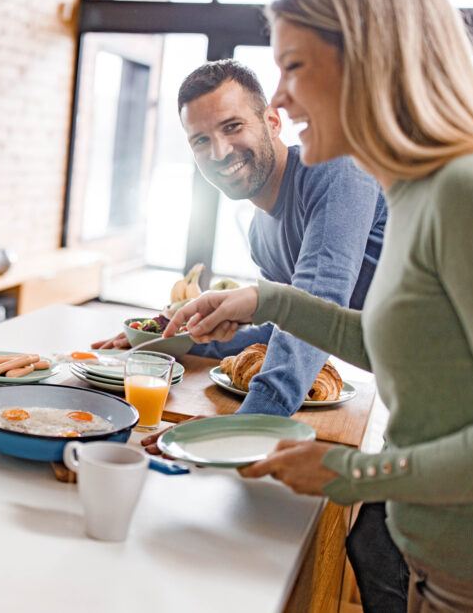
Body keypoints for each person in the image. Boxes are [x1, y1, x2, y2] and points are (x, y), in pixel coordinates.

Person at [167, 0, 473, 611]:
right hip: (444, 565)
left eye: (294, 69)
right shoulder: (418, 194)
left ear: (371, 60)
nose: (278, 99)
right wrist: (265, 299)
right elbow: (397, 346)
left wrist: (351, 470)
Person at [95, 59, 387, 416]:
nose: (219, 152)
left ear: (273, 122)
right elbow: (283, 328)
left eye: (232, 126)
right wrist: (165, 338)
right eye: (201, 140)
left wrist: (245, 427)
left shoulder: (335, 168)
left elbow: (317, 305)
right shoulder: (260, 234)